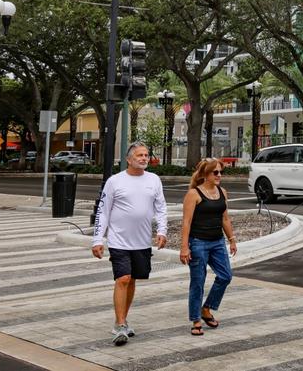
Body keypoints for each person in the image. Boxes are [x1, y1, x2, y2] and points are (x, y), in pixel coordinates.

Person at [91, 142, 168, 346]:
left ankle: (122, 321)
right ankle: (120, 323)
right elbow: (103, 211)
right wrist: (98, 239)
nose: (144, 158)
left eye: (146, 155)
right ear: (128, 159)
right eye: (139, 155)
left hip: (142, 241)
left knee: (132, 279)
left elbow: (161, 208)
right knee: (123, 278)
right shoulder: (115, 181)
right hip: (119, 240)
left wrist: (162, 231)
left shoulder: (154, 180)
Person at [179, 158, 236, 336]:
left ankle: (207, 308)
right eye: (215, 172)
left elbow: (225, 218)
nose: (219, 175)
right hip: (198, 243)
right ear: (205, 174)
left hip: (217, 242)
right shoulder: (193, 194)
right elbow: (186, 223)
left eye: (221, 172)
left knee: (225, 276)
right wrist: (184, 247)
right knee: (198, 282)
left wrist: (232, 239)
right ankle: (196, 320)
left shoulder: (222, 192)